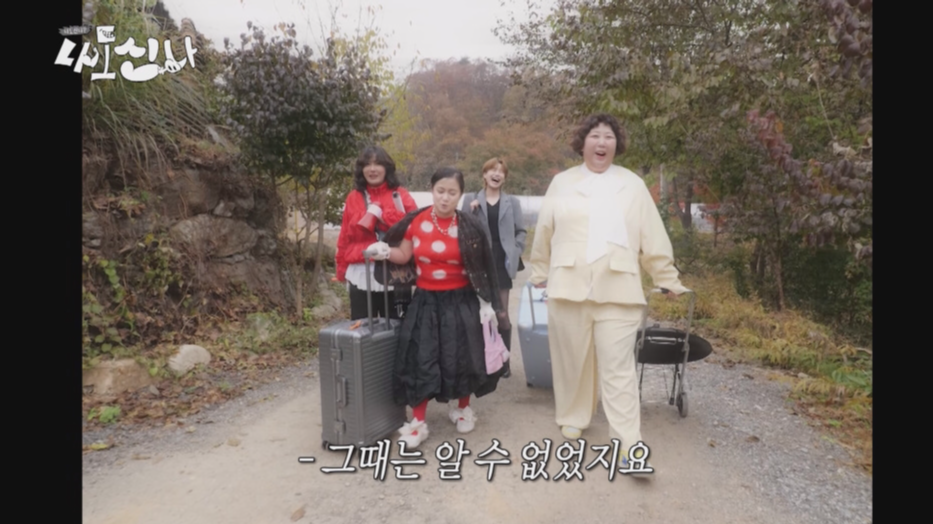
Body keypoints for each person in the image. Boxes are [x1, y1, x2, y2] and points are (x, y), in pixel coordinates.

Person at [528, 113, 688, 476]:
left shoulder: (632, 185)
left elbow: (652, 234)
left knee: (618, 369)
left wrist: (666, 276)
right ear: (582, 143)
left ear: (617, 144)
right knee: (572, 360)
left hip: (619, 287)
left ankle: (629, 446)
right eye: (595, 136)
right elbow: (545, 231)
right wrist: (539, 272)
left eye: (609, 137)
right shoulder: (562, 183)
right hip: (568, 284)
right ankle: (574, 415)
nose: (602, 142)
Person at [365, 167, 507, 449]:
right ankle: (418, 423)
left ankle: (463, 409)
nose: (445, 197)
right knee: (421, 358)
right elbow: (404, 254)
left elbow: (483, 266)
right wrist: (385, 251)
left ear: (460, 195)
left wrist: (487, 302)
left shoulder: (470, 226)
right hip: (426, 301)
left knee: (463, 356)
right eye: (440, 191)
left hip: (462, 301)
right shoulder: (417, 221)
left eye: (452, 192)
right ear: (432, 190)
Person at [334, 146, 418, 320]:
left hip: (395, 273)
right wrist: (341, 268)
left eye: (378, 164)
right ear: (361, 169)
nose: (372, 169)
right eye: (367, 164)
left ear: (387, 168)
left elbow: (415, 229)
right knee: (362, 327)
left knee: (397, 327)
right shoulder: (353, 197)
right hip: (361, 272)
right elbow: (345, 236)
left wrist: (382, 215)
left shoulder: (401, 195)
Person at [461, 157, 527, 378]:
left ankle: (504, 362)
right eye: (492, 170)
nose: (496, 174)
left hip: (501, 260)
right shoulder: (471, 199)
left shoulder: (512, 202)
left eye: (501, 171)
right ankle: (481, 362)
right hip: (478, 261)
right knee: (477, 314)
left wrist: (515, 249)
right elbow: (461, 228)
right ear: (484, 174)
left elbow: (521, 231)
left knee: (502, 314)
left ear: (505, 178)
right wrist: (471, 211)